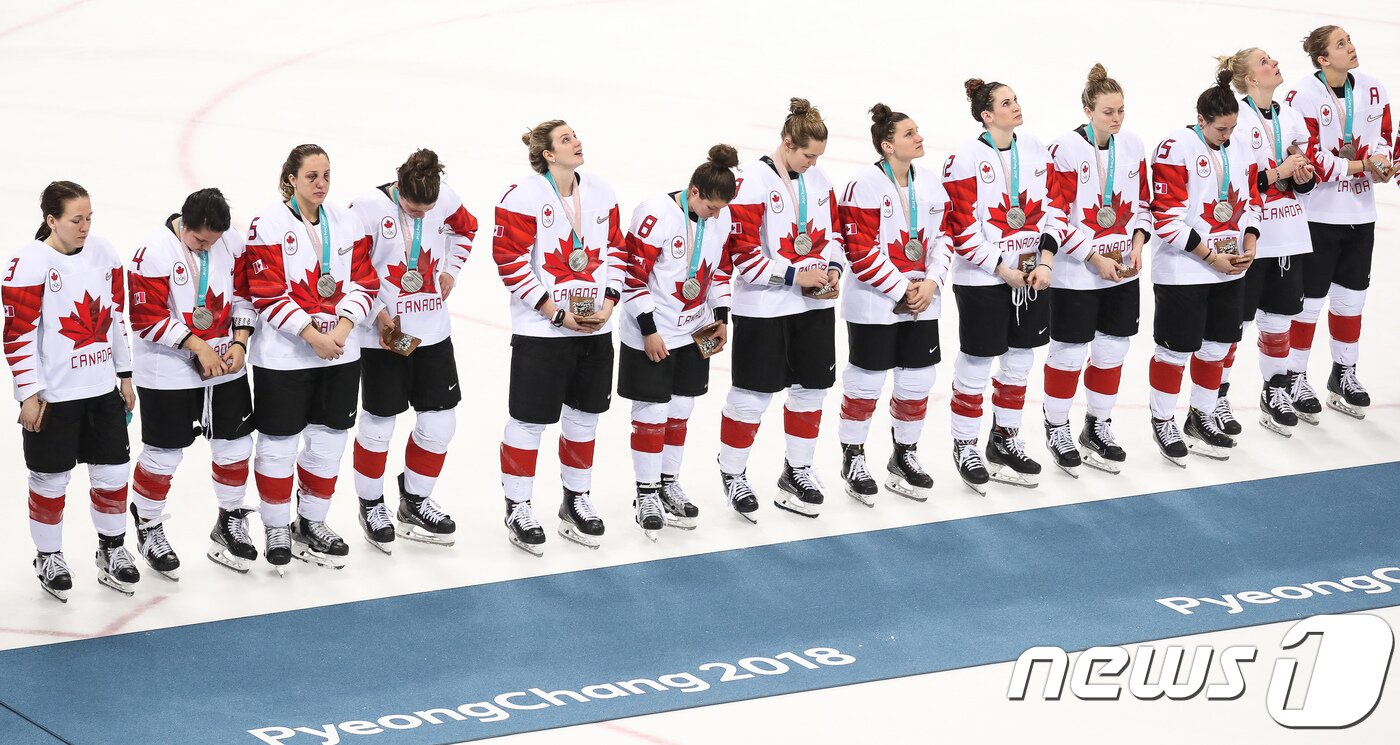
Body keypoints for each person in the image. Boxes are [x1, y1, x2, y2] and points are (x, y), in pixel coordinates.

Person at [493, 120, 626, 555]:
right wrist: (553, 312)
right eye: (566, 139)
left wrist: (608, 302)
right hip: (542, 332)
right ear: (548, 154)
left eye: (576, 136)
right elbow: (510, 262)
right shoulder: (523, 196)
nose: (577, 142)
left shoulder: (601, 191)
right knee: (529, 422)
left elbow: (618, 251)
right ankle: (518, 506)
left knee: (585, 417)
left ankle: (576, 498)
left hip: (594, 327)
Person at [245, 144, 378, 572]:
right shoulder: (266, 224)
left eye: (326, 176)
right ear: (291, 179)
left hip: (339, 352)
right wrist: (309, 334)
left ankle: (314, 522)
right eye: (311, 177)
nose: (321, 184)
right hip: (284, 358)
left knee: (328, 442)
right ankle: (277, 526)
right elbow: (265, 292)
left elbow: (365, 282)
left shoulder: (347, 220)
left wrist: (339, 330)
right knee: (278, 447)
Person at [3, 181, 137, 600]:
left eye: (89, 218)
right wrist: (29, 392)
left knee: (113, 472)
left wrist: (125, 373)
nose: (85, 226)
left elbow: (116, 317)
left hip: (101, 390)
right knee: (49, 479)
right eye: (76, 220)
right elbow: (17, 334)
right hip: (54, 396)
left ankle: (112, 549)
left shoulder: (104, 253)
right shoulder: (28, 263)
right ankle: (48, 556)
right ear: (51, 220)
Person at [716, 98, 843, 521]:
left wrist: (833, 270)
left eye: (818, 156)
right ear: (787, 144)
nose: (813, 162)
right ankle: (733, 472)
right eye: (808, 154)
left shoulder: (820, 179)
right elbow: (743, 255)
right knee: (753, 395)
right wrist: (793, 276)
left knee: (811, 389)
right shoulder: (751, 182)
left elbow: (836, 236)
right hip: (764, 309)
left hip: (812, 307)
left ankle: (798, 469)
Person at [349, 149, 477, 554]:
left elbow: (467, 230)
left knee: (440, 424)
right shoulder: (366, 209)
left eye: (428, 210)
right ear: (398, 188)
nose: (421, 216)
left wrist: (451, 270)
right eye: (413, 208)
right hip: (384, 336)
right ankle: (371, 505)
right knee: (379, 423)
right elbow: (351, 268)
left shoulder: (447, 198)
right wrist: (378, 312)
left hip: (433, 333)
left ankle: (415, 500)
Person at [943, 79, 1064, 494]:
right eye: (1006, 103)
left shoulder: (1035, 148)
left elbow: (1056, 210)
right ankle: (965, 445)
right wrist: (1002, 268)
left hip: (1032, 275)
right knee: (977, 363)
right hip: (983, 279)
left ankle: (1004, 440)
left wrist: (1045, 261)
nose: (1016, 106)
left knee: (1019, 361)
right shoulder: (964, 158)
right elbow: (961, 230)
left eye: (1016, 99)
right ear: (986, 115)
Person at [128, 188, 257, 576]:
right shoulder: (153, 251)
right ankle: (148, 525)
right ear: (184, 222)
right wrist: (198, 345)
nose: (207, 247)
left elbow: (245, 296)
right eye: (200, 240)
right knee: (164, 455)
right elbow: (145, 317)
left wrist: (240, 340)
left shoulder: (229, 242)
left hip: (224, 366)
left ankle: (230, 520)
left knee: (235, 445)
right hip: (167, 372)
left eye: (213, 241)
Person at [619, 145, 736, 539]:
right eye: (712, 207)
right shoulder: (654, 214)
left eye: (722, 209)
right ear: (694, 192)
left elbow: (719, 274)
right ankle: (646, 491)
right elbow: (632, 278)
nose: (717, 215)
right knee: (651, 414)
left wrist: (721, 317)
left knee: (681, 410)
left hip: (694, 331)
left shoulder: (720, 216)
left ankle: (668, 482)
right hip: (653, 333)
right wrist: (649, 329)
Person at [835, 103, 950, 506]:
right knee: (865, 383)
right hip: (876, 303)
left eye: (917, 131)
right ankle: (853, 457)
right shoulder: (863, 184)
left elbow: (943, 241)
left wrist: (932, 282)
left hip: (923, 301)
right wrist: (904, 289)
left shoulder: (932, 184)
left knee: (917, 382)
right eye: (909, 133)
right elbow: (860, 251)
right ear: (887, 146)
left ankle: (905, 455)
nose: (919, 137)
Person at [1146, 71, 1262, 465]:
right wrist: (1213, 258)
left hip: (1231, 269)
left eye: (1231, 127)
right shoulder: (1174, 149)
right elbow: (1166, 220)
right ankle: (1163, 420)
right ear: (1201, 119)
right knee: (1175, 351)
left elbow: (1254, 203)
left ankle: (1201, 415)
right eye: (1219, 128)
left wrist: (1249, 243)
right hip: (1185, 272)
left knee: (1215, 349)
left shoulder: (1240, 147)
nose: (1226, 135)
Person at [1041, 64, 1150, 476]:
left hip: (1122, 268)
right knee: (1069, 353)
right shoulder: (1065, 148)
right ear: (1087, 109)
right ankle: (1056, 427)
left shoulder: (1133, 144)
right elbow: (1056, 216)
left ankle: (1097, 425)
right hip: (1077, 273)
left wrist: (1138, 245)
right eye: (1108, 112)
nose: (1117, 119)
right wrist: (1093, 257)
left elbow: (1143, 204)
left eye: (1121, 110)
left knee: (1112, 350)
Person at [1283, 25, 1392, 420]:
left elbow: (1384, 136)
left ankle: (1343, 373)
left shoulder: (1373, 87)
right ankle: (1293, 378)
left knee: (1351, 300)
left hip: (1361, 213)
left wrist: (1381, 161)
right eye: (1341, 44)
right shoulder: (1301, 95)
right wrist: (1365, 165)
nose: (1351, 46)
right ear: (1323, 59)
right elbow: (1309, 158)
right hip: (1317, 216)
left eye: (1350, 40)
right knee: (1308, 303)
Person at [1216, 48, 1317, 437]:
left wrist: (1302, 173)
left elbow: (1301, 187)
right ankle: (1216, 397)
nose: (1274, 63)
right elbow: (1236, 184)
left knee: (1278, 321)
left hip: (1288, 233)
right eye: (1264, 62)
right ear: (1251, 79)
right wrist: (1278, 172)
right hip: (1249, 237)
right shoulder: (1235, 122)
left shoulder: (1289, 117)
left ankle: (1274, 391)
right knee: (1232, 326)